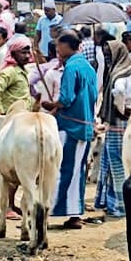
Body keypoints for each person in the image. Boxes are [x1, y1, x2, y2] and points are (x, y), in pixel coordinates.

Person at [41, 32, 98, 230]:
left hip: (70, 125)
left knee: (61, 170)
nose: (57, 50)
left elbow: (66, 98)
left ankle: (47, 212)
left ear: (68, 46)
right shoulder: (88, 66)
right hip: (85, 123)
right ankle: (74, 214)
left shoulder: (71, 67)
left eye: (59, 46)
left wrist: (52, 104)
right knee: (78, 171)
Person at [95, 38, 131, 218]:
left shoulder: (118, 74)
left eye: (109, 55)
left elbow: (118, 92)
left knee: (116, 164)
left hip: (118, 123)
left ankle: (119, 205)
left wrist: (121, 109)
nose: (108, 59)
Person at [0, 37, 33, 115]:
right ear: (13, 54)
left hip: (23, 115)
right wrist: (0, 112)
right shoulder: (9, 72)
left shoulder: (24, 71)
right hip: (11, 117)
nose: (27, 56)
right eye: (23, 53)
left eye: (28, 53)